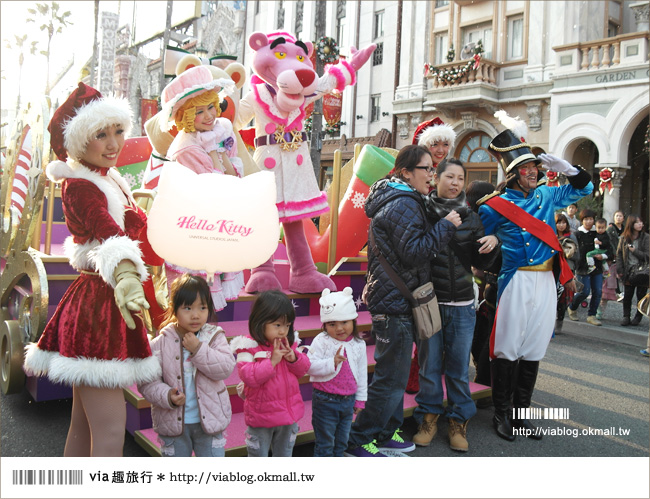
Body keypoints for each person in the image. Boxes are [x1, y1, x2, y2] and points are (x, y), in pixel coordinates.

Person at [23, 83, 162, 456]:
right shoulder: (82, 187)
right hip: (99, 308)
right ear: (79, 140)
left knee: (85, 427)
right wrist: (128, 275)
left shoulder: (107, 177)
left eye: (118, 130)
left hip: (98, 302)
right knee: (111, 432)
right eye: (101, 134)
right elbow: (109, 234)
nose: (114, 142)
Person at [478, 111, 593, 442]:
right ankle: (501, 413)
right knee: (508, 346)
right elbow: (478, 247)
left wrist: (570, 170)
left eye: (536, 169)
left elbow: (584, 188)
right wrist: (497, 242)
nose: (534, 173)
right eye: (527, 170)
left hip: (545, 281)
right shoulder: (493, 205)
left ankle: (520, 415)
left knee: (534, 347)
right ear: (513, 174)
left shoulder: (546, 195)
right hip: (515, 281)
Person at [345, 144, 460, 457]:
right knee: (390, 377)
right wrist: (446, 226)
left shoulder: (398, 197)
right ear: (406, 171)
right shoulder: (404, 202)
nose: (432, 175)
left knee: (393, 374)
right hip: (394, 303)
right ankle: (358, 438)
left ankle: (384, 434)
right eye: (426, 168)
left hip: (395, 299)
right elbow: (415, 252)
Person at [412, 159, 498, 452]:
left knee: (459, 368)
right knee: (430, 365)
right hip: (430, 301)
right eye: (450, 176)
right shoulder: (421, 211)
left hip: (462, 302)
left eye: (461, 178)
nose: (455, 182)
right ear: (436, 178)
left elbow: (481, 262)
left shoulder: (472, 217)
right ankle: (429, 417)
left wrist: (492, 242)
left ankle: (458, 420)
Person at [160, 65, 244, 310]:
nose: (209, 115)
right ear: (185, 115)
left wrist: (219, 152)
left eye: (210, 107)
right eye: (199, 111)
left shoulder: (220, 131)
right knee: (194, 293)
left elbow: (233, 176)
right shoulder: (186, 148)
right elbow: (215, 186)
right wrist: (218, 154)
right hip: (190, 224)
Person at [138, 274, 235, 457]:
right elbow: (147, 383)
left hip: (210, 421)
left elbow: (225, 368)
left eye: (202, 308)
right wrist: (167, 396)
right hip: (173, 424)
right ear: (174, 309)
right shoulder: (160, 343)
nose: (196, 315)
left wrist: (198, 349)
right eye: (188, 308)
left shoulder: (214, 337)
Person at [405, 117, 458, 393]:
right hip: (420, 254)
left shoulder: (450, 171)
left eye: (445, 143)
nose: (440, 148)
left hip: (444, 256)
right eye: (434, 143)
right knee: (421, 323)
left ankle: (432, 372)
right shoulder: (415, 176)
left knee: (436, 323)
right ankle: (415, 374)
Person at [229, 290, 310, 457]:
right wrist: (272, 362)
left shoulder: (289, 344)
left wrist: (293, 358)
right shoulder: (248, 346)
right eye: (277, 325)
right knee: (258, 456)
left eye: (287, 325)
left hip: (288, 416)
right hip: (261, 418)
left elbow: (303, 370)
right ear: (260, 321)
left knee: (284, 455)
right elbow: (248, 376)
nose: (283, 331)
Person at [307, 287, 368, 457]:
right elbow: (309, 365)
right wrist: (331, 362)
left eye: (344, 322)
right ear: (325, 325)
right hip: (325, 401)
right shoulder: (321, 341)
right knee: (325, 443)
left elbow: (362, 374)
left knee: (342, 441)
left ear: (353, 321)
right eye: (332, 324)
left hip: (348, 401)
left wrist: (360, 400)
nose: (339, 328)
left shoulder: (358, 344)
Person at [567, 209, 612, 326]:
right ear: (582, 220)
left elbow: (609, 248)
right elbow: (574, 252)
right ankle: (572, 307)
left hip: (596, 267)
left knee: (598, 291)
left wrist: (603, 256)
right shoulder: (578, 234)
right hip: (582, 267)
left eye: (591, 219)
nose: (588, 222)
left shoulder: (598, 233)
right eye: (586, 219)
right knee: (584, 292)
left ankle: (591, 315)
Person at [616, 215, 649, 326]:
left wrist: (635, 251)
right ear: (631, 224)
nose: (640, 224)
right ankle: (626, 316)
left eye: (641, 222)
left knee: (641, 295)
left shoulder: (646, 237)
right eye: (637, 222)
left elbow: (648, 256)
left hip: (642, 271)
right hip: (628, 270)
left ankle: (638, 316)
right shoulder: (624, 237)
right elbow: (619, 254)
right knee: (628, 295)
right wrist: (619, 269)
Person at [554, 213, 580, 334]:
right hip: (552, 270)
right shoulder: (550, 236)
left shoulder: (572, 237)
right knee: (551, 299)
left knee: (562, 300)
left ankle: (559, 323)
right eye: (558, 222)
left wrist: (567, 253)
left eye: (563, 222)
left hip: (567, 271)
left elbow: (577, 256)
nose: (561, 225)